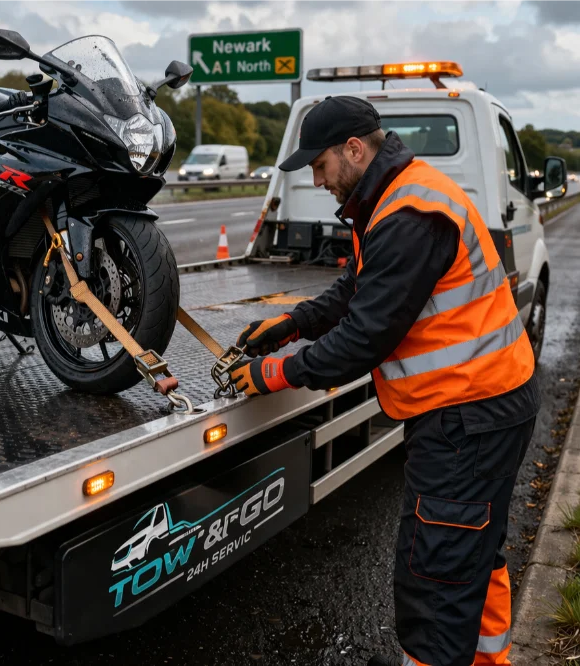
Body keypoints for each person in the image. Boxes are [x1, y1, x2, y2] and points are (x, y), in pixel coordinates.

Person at [230, 95, 540, 666]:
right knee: (474, 558)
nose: (317, 181)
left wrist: (275, 372)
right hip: (486, 402)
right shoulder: (397, 195)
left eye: (319, 166)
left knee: (435, 583)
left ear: (353, 149)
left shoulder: (408, 214)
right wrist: (294, 323)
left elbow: (364, 338)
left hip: (465, 418)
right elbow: (357, 286)